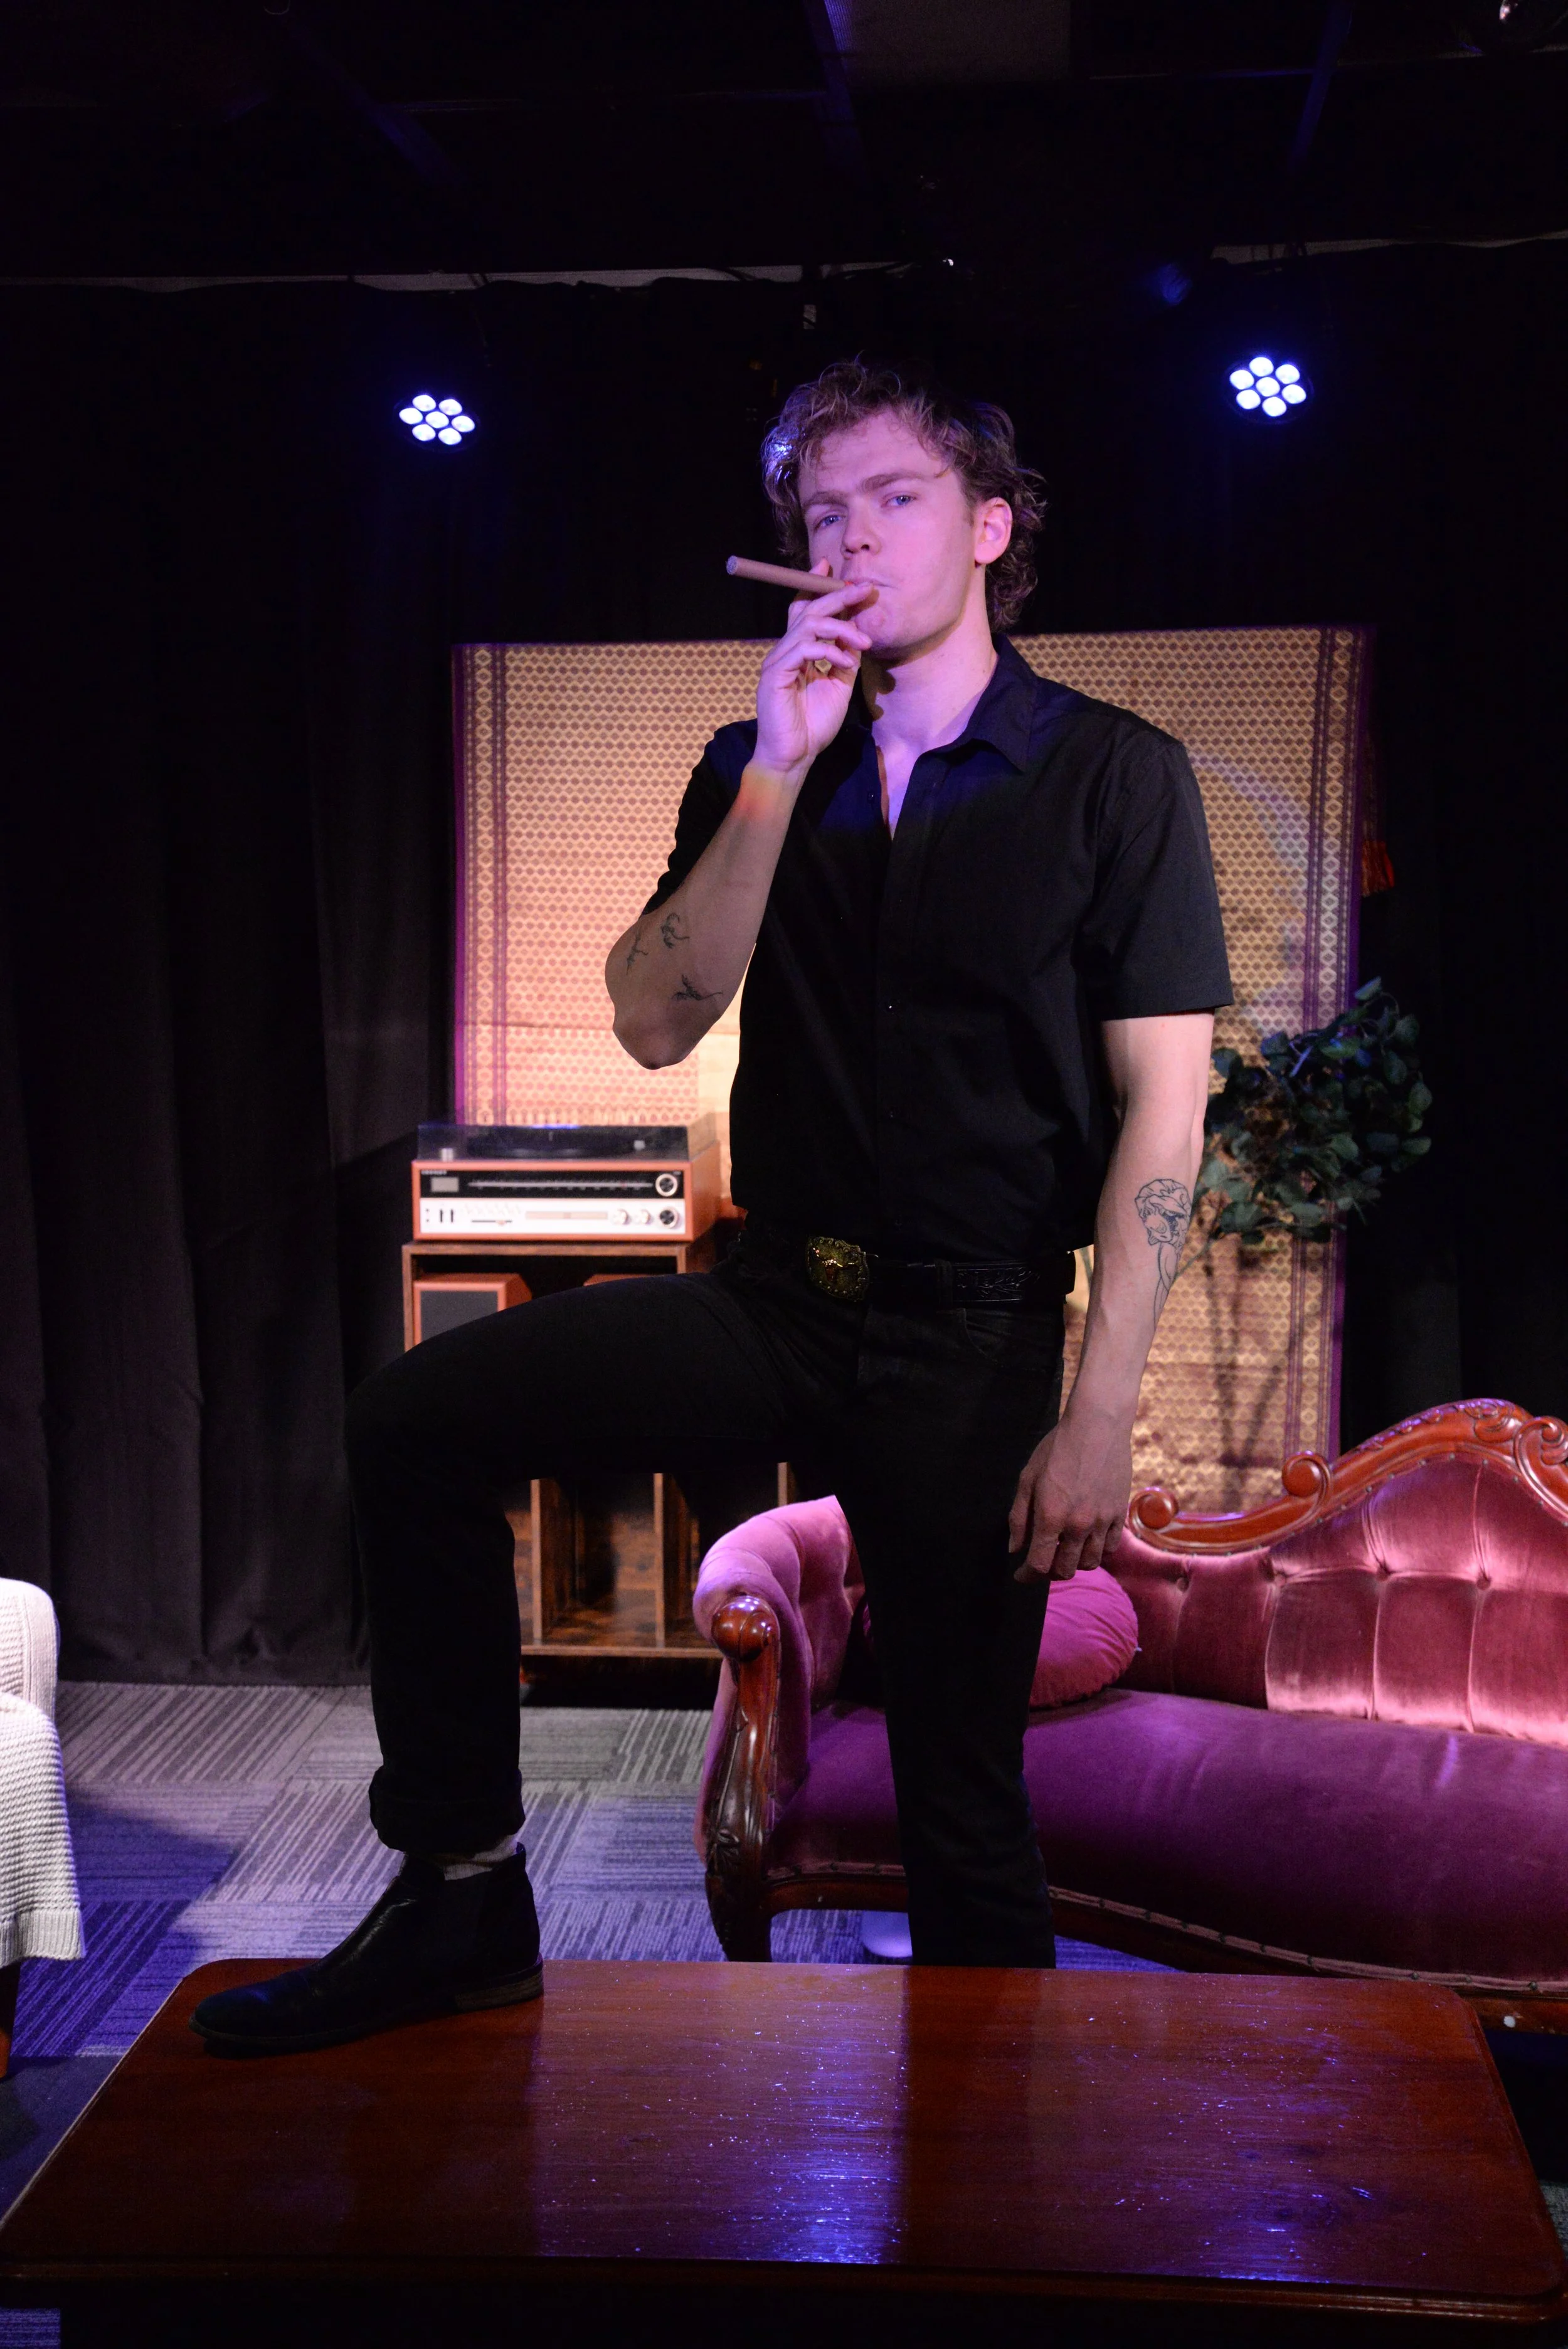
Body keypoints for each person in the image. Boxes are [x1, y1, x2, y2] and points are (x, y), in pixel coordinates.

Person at [191, 357, 1230, 2055]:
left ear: (985, 526)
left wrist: (1098, 1406)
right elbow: (655, 1015)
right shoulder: (758, 758)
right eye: (817, 515)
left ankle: (990, 2193)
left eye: (890, 499)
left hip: (969, 1338)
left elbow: (1162, 1120)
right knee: (415, 1420)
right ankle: (459, 1893)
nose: (849, 538)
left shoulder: (1113, 777)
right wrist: (776, 768)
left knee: (960, 1807)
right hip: (777, 1301)